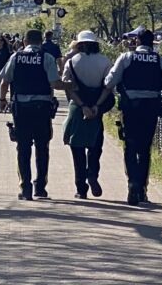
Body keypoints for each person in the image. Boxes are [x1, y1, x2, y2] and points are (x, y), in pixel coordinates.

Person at [103, 29, 162, 206]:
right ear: (152, 42)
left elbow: (109, 82)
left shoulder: (126, 57)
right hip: (151, 108)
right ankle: (142, 189)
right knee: (145, 148)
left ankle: (132, 183)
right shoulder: (160, 60)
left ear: (137, 41)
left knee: (130, 146)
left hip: (130, 108)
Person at [0, 29, 72, 201]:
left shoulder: (16, 57)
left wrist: (2, 100)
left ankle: (25, 188)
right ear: (40, 42)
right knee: (42, 147)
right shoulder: (46, 58)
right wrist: (71, 85)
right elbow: (55, 83)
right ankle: (40, 187)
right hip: (42, 108)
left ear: (24, 41)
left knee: (23, 147)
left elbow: (4, 82)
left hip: (21, 108)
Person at [62, 30, 112, 199]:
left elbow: (68, 87)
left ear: (79, 44)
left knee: (77, 148)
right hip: (97, 109)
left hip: (78, 108)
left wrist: (82, 105)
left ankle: (81, 188)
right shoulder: (105, 61)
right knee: (95, 147)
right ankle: (92, 175)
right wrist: (97, 106)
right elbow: (108, 87)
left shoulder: (72, 62)